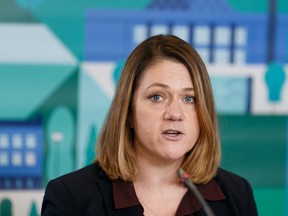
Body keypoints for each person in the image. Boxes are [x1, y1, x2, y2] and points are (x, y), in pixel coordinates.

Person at [41, 34, 258, 216]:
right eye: (157, 97)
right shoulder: (71, 198)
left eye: (189, 99)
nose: (175, 114)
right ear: (127, 112)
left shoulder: (236, 195)